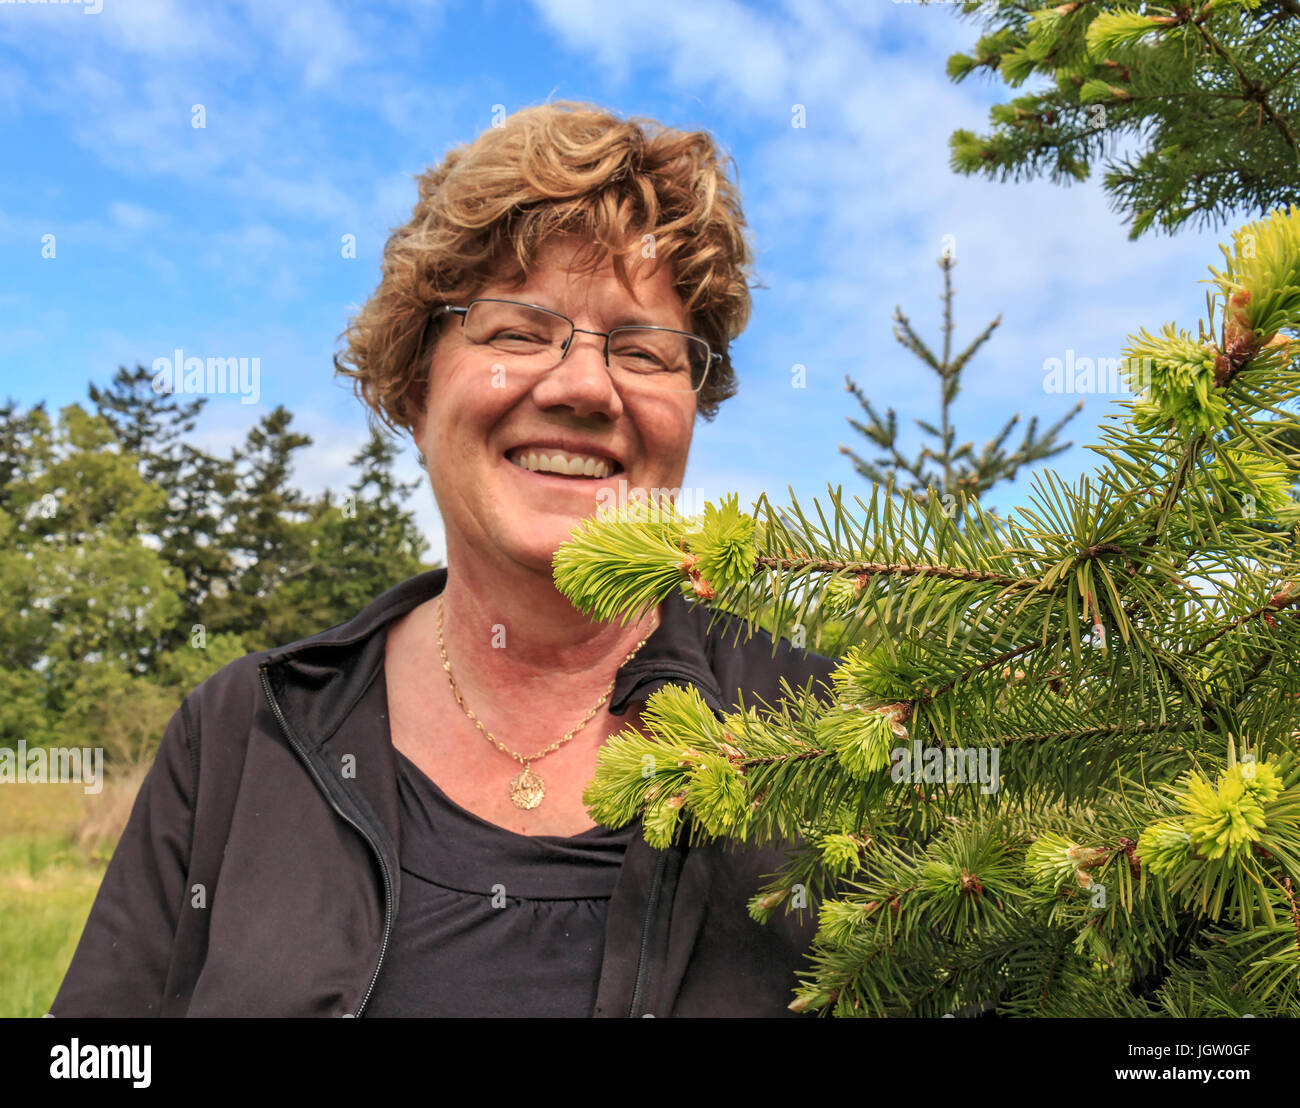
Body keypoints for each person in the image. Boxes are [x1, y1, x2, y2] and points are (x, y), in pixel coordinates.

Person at [49, 100, 838, 1018]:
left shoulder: (836, 741)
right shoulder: (241, 733)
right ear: (415, 388)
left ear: (692, 405)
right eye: (515, 331)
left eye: (643, 349)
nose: (585, 385)